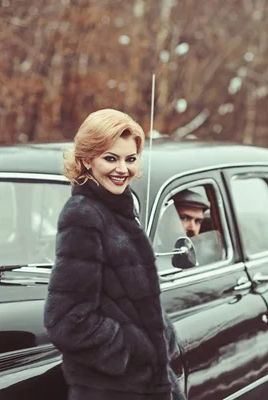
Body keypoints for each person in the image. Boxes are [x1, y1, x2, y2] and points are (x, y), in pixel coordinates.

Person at [43, 109, 185, 400]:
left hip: (143, 385)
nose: (123, 169)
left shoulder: (118, 209)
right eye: (111, 158)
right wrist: (136, 349)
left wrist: (161, 335)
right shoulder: (83, 215)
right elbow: (67, 320)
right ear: (86, 160)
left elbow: (135, 302)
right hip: (112, 391)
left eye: (130, 159)